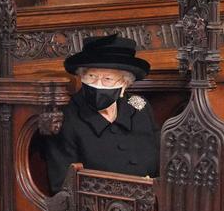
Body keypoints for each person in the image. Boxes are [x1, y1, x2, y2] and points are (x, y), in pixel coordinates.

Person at [46, 34, 159, 193]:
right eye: (91, 76)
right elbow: (63, 189)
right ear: (81, 77)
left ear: (124, 85)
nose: (97, 85)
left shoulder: (139, 107)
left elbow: (163, 164)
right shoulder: (66, 118)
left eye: (107, 79)